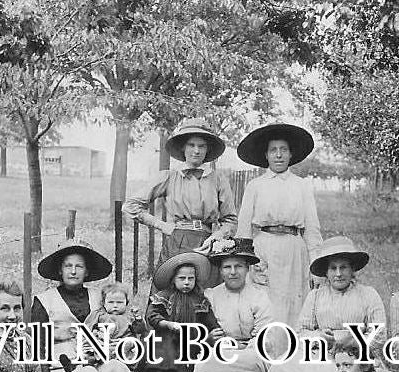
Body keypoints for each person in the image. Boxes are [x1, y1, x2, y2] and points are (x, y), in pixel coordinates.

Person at [258, 236, 386, 372]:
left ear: (352, 269)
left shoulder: (367, 294)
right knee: (283, 367)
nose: (338, 273)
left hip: (357, 355)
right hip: (320, 353)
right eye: (333, 268)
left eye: (343, 267)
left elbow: (379, 335)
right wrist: (318, 336)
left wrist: (350, 340)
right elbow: (301, 332)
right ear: (326, 272)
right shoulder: (316, 296)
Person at [30, 240, 143, 372]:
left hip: (96, 354)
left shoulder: (99, 296)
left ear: (87, 271)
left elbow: (118, 321)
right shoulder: (44, 301)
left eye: (79, 266)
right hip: (61, 363)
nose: (73, 271)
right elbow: (38, 344)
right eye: (68, 266)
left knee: (115, 368)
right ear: (60, 270)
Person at [124, 118, 237, 288]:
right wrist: (162, 225)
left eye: (201, 146)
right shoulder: (169, 177)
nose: (196, 151)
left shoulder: (218, 179)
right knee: (172, 291)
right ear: (183, 147)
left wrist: (216, 237)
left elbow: (230, 220)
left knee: (205, 293)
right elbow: (131, 205)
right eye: (191, 145)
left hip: (207, 243)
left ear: (207, 149)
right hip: (178, 241)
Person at [235, 122, 322, 326]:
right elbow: (244, 228)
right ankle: (266, 342)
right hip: (264, 248)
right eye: (273, 150)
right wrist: (247, 260)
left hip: (294, 249)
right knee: (265, 301)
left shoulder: (301, 186)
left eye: (284, 150)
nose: (279, 155)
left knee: (295, 302)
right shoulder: (255, 186)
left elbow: (312, 228)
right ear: (266, 155)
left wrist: (315, 264)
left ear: (291, 154)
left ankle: (292, 341)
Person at [186, 240, 274, 372]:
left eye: (238, 266)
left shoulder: (259, 297)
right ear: (220, 270)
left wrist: (245, 347)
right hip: (219, 349)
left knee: (251, 360)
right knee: (208, 360)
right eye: (227, 267)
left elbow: (265, 333)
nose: (233, 272)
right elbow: (200, 328)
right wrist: (209, 339)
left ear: (247, 268)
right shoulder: (211, 296)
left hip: (251, 350)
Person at [140, 251, 218, 372]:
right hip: (168, 346)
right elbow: (152, 315)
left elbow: (209, 321)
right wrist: (167, 324)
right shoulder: (164, 296)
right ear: (173, 279)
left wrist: (214, 332)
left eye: (191, 278)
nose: (187, 282)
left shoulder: (200, 300)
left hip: (191, 345)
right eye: (182, 278)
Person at [84, 282, 147, 351]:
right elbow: (87, 328)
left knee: (131, 343)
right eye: (111, 302)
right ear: (103, 303)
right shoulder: (98, 314)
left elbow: (140, 330)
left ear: (126, 303)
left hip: (123, 343)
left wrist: (139, 320)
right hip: (103, 342)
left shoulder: (129, 316)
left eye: (119, 302)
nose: (115, 305)